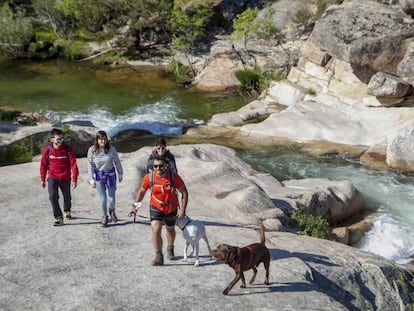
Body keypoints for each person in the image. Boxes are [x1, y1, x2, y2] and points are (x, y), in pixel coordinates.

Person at [130, 154, 188, 266]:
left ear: (166, 165)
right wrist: (135, 206)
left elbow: (184, 192)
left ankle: (170, 247)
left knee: (170, 229)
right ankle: (158, 255)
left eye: (161, 166)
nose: (158, 169)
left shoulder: (173, 177)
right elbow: (142, 191)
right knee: (156, 230)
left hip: (171, 207)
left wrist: (183, 210)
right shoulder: (149, 177)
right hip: (155, 206)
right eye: (155, 166)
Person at [40, 128, 79, 226]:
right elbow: (43, 165)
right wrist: (42, 179)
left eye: (62, 139)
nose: (61, 142)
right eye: (58, 139)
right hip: (52, 177)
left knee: (67, 196)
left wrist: (74, 178)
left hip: (65, 177)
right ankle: (58, 217)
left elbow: (73, 164)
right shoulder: (47, 150)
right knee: (53, 196)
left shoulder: (67, 149)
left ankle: (67, 210)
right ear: (52, 139)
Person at [87, 130, 123, 227]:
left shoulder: (111, 149)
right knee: (103, 199)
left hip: (110, 175)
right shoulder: (92, 150)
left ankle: (111, 210)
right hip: (98, 176)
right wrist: (91, 179)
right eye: (100, 139)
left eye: (104, 139)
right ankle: (104, 216)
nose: (102, 141)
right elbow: (90, 165)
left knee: (111, 199)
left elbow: (117, 161)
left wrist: (120, 173)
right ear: (97, 140)